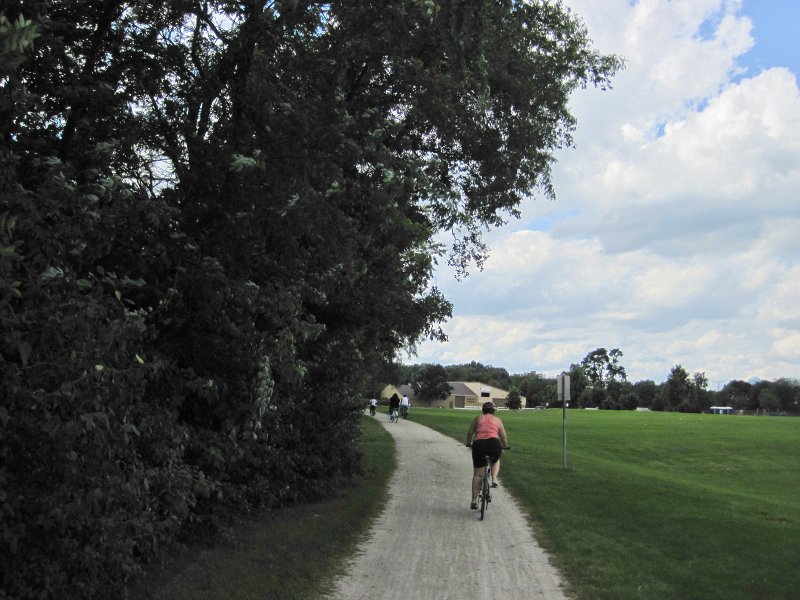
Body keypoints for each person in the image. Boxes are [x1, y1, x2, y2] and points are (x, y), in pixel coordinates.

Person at [465, 401, 509, 510]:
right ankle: (494, 479)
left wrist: (469, 443)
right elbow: (503, 436)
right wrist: (506, 446)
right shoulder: (497, 420)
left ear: (483, 410)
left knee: (477, 475)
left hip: (479, 444)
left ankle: (474, 500)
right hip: (494, 443)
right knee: (496, 459)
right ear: (493, 411)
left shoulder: (477, 418)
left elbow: (470, 433)